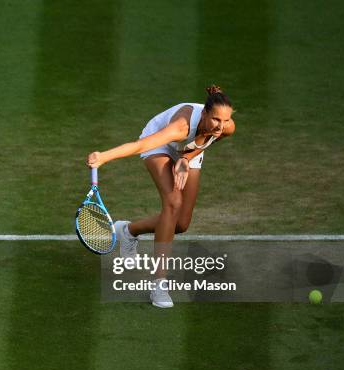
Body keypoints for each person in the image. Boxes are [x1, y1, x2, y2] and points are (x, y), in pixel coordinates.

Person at [86, 85, 235, 308]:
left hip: (187, 149)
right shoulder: (180, 127)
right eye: (215, 120)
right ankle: (159, 284)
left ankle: (128, 231)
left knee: (182, 224)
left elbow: (206, 141)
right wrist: (104, 157)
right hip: (161, 144)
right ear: (204, 113)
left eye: (224, 121)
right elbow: (141, 145)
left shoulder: (226, 127)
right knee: (173, 202)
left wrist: (185, 158)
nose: (220, 126)